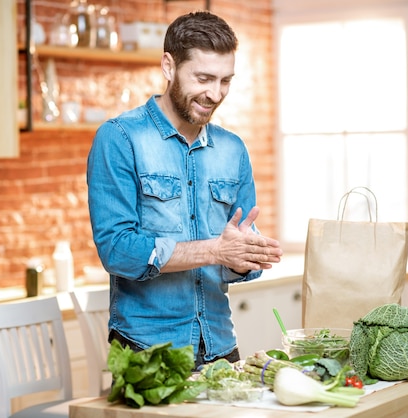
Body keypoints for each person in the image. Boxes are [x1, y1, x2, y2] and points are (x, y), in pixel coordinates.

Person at [86, 11, 283, 369]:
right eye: (204, 78)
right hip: (146, 351)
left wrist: (244, 257)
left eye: (225, 80)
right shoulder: (120, 138)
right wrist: (215, 250)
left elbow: (235, 250)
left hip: (220, 346)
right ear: (168, 66)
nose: (215, 94)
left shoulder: (232, 150)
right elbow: (116, 250)